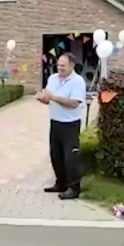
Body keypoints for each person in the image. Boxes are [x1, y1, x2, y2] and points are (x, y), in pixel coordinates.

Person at [36, 52, 86, 200]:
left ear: (72, 65)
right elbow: (48, 100)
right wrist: (43, 99)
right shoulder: (52, 78)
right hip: (55, 121)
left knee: (70, 157)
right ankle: (61, 183)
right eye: (58, 65)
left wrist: (53, 97)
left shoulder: (78, 82)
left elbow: (74, 103)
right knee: (55, 155)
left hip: (70, 124)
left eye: (63, 66)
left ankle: (74, 187)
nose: (60, 68)